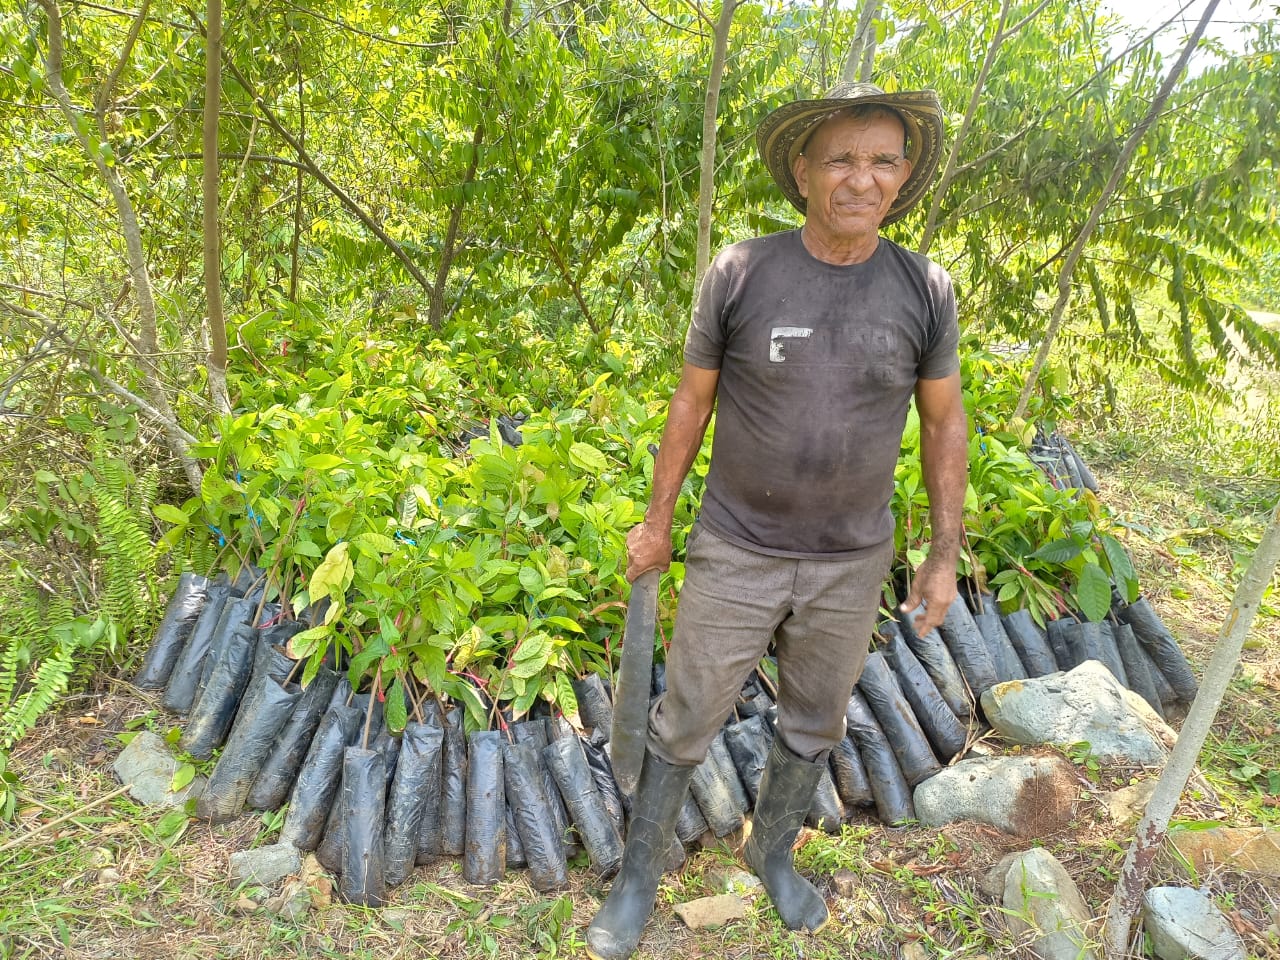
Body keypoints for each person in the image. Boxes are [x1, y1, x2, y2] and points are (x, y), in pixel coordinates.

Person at [585, 81, 969, 960]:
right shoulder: (744, 272)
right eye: (840, 158)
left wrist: (942, 556)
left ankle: (771, 851)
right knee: (687, 715)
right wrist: (657, 522)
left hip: (851, 558)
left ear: (904, 176)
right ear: (802, 171)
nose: (860, 179)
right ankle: (639, 875)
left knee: (814, 720)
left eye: (881, 161)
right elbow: (691, 402)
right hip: (737, 546)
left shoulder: (924, 288)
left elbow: (945, 424)